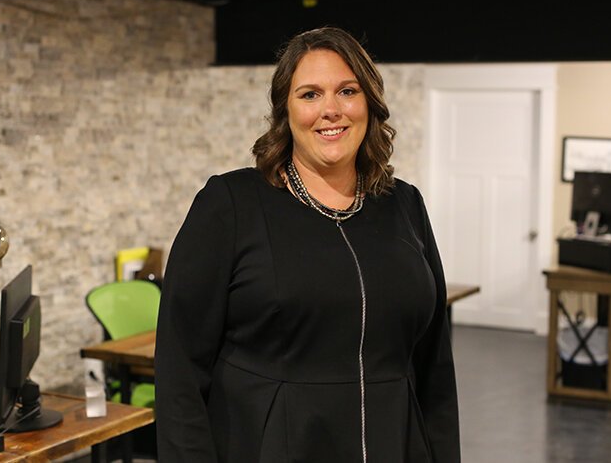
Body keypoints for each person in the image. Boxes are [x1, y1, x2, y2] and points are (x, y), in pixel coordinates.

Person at [155, 26, 460, 463]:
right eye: (310, 94)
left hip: (395, 443)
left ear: (370, 103)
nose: (331, 110)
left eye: (347, 91)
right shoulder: (231, 205)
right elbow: (179, 368)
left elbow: (435, 368)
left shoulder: (405, 205)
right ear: (286, 110)